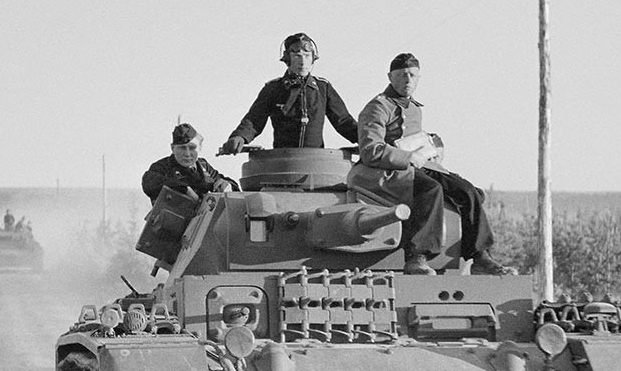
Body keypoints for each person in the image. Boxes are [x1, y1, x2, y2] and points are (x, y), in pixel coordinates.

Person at [348, 53, 516, 276]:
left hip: (418, 165)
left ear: (418, 78)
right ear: (390, 77)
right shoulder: (378, 107)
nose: (407, 80)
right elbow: (370, 150)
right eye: (401, 75)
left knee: (468, 191)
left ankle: (480, 256)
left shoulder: (414, 108)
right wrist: (408, 158)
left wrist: (430, 152)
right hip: (383, 171)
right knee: (430, 190)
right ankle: (417, 255)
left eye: (412, 75)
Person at [219, 33, 358, 154]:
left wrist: (365, 138)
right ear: (287, 58)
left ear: (313, 58)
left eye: (307, 55)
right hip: (283, 161)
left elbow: (343, 121)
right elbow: (254, 119)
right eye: (297, 55)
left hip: (315, 161)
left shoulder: (323, 88)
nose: (303, 61)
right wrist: (240, 137)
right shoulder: (273, 89)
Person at [142, 123, 238, 202]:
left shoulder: (203, 166)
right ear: (172, 148)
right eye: (182, 148)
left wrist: (227, 185)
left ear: (200, 147)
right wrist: (185, 190)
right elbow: (149, 184)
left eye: (192, 148)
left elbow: (231, 185)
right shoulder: (162, 167)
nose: (187, 154)